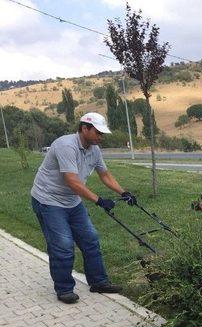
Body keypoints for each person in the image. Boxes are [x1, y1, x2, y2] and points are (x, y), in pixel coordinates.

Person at [31, 112, 138, 304]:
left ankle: (99, 282)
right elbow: (72, 181)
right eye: (98, 132)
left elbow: (105, 175)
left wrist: (124, 192)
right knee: (63, 245)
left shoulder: (94, 149)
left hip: (72, 201)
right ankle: (64, 289)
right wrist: (99, 200)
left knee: (91, 239)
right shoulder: (66, 146)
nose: (101, 137)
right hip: (48, 201)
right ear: (84, 128)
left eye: (102, 133)